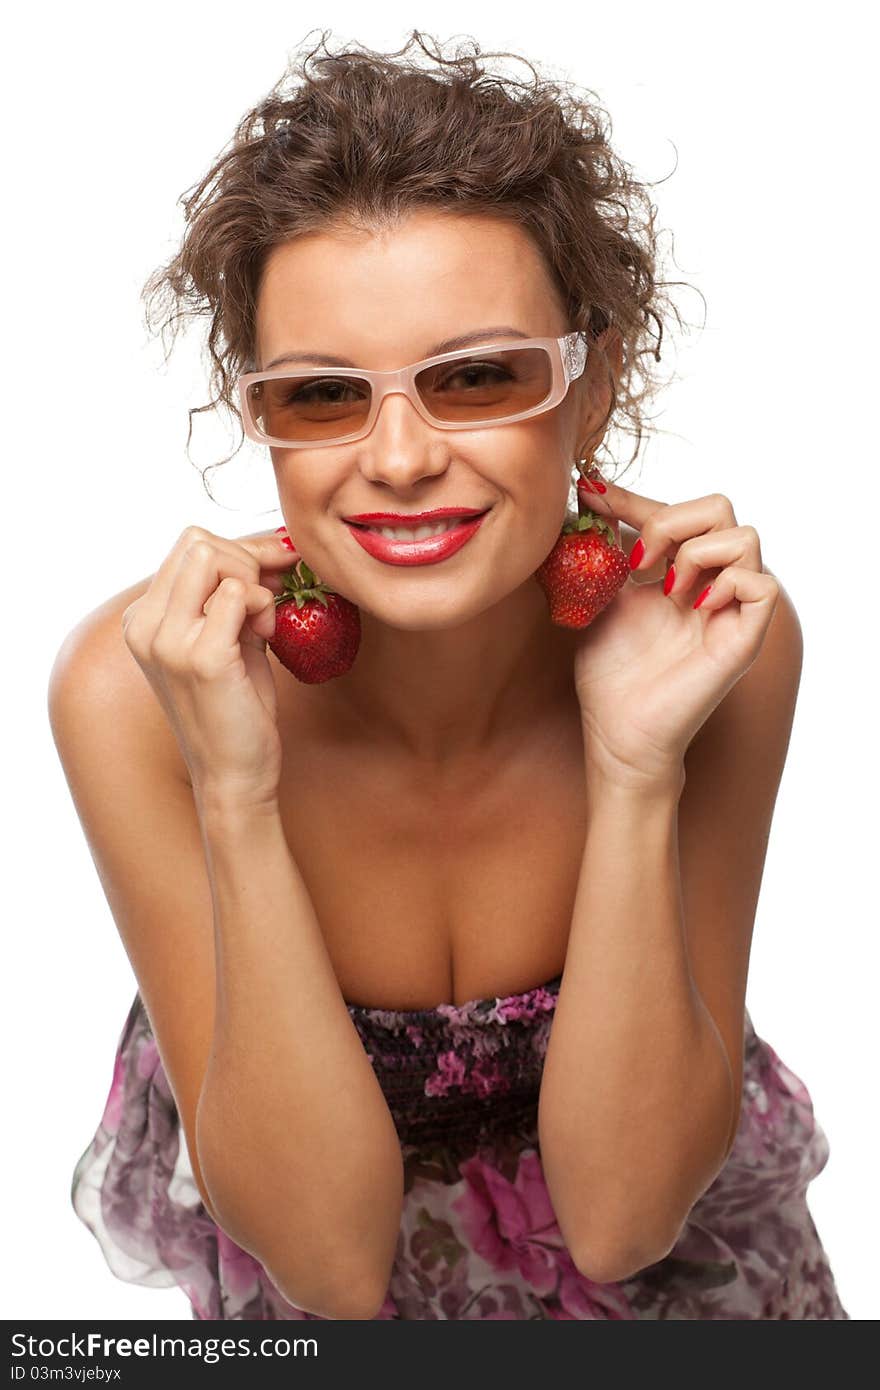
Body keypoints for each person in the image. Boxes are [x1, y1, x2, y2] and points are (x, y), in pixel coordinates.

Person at [48, 30, 849, 1320]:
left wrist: (637, 769)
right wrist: (235, 793)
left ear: (591, 385)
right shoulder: (140, 690)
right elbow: (325, 1267)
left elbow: (625, 1219)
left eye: (478, 377)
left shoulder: (707, 641)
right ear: (256, 415)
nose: (403, 457)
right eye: (321, 396)